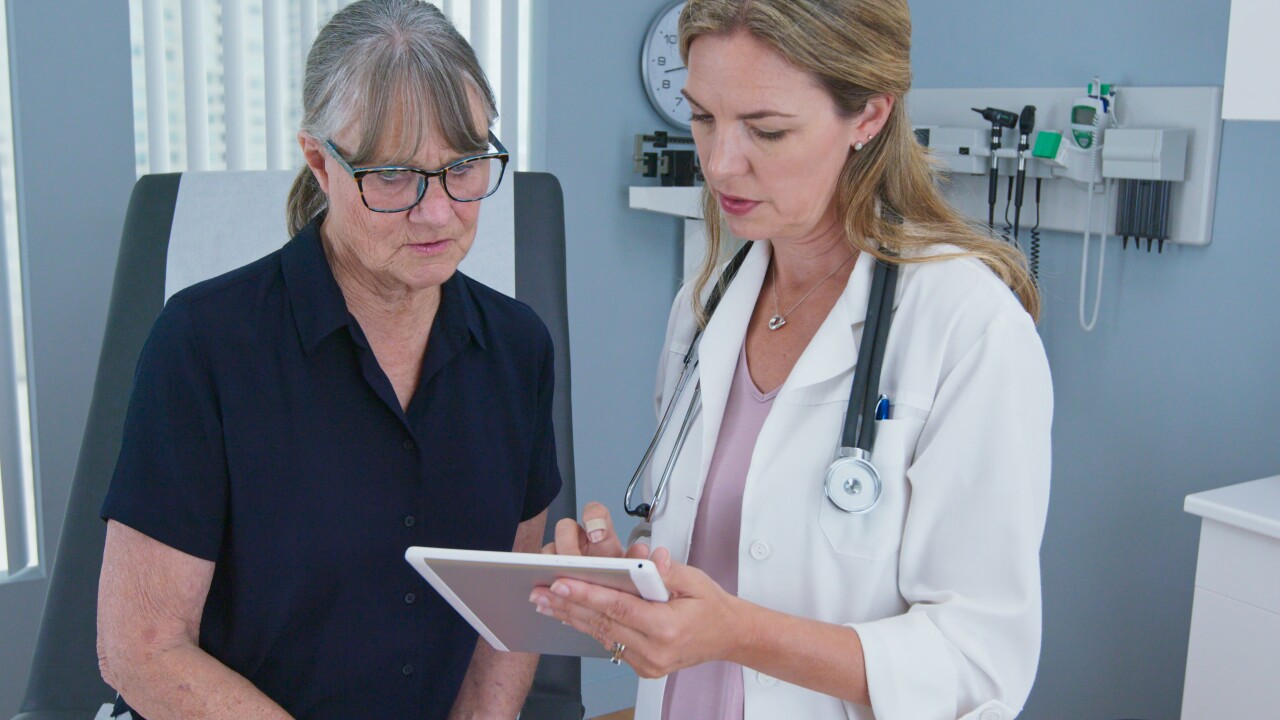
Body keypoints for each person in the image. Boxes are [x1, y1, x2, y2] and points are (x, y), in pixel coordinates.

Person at [532, 1, 1052, 719]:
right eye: (703, 117)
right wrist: (630, 585)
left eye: (766, 130)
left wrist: (740, 633)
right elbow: (708, 549)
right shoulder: (705, 307)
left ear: (868, 116)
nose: (719, 162)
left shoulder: (966, 327)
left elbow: (978, 661)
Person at [96, 1, 559, 718]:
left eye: (463, 166)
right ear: (320, 161)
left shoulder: (517, 349)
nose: (437, 212)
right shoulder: (203, 345)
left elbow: (509, 607)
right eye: (395, 177)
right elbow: (141, 646)